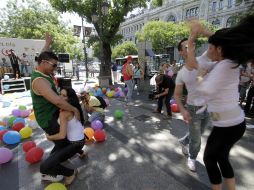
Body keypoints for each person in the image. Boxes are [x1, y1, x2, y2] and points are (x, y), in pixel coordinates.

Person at [186, 16, 253, 190]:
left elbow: (206, 89)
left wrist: (200, 74)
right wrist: (194, 38)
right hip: (231, 123)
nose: (209, 50)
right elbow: (196, 62)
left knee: (209, 158)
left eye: (211, 47)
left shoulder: (224, 66)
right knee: (221, 158)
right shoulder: (227, 63)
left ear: (220, 49)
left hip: (228, 125)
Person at [31, 33, 81, 183]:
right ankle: (66, 171)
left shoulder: (40, 69)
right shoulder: (40, 81)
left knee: (62, 143)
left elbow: (42, 56)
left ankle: (54, 162)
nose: (56, 68)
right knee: (64, 143)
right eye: (54, 65)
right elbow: (58, 101)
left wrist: (47, 44)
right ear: (44, 63)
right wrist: (75, 110)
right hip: (48, 119)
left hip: (53, 115)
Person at [174, 38, 213, 172]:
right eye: (186, 47)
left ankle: (184, 141)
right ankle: (192, 157)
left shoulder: (203, 59)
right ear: (180, 52)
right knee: (196, 139)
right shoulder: (181, 73)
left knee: (200, 132)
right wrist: (182, 109)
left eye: (192, 44)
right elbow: (177, 95)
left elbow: (218, 43)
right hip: (193, 108)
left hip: (208, 106)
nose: (190, 47)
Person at [46, 88, 87, 184]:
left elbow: (61, 135)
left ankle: (71, 173)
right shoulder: (75, 108)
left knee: (49, 164)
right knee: (54, 155)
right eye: (59, 94)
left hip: (75, 143)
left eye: (64, 96)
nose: (59, 97)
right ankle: (81, 152)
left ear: (70, 99)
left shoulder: (64, 112)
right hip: (81, 140)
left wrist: (49, 137)